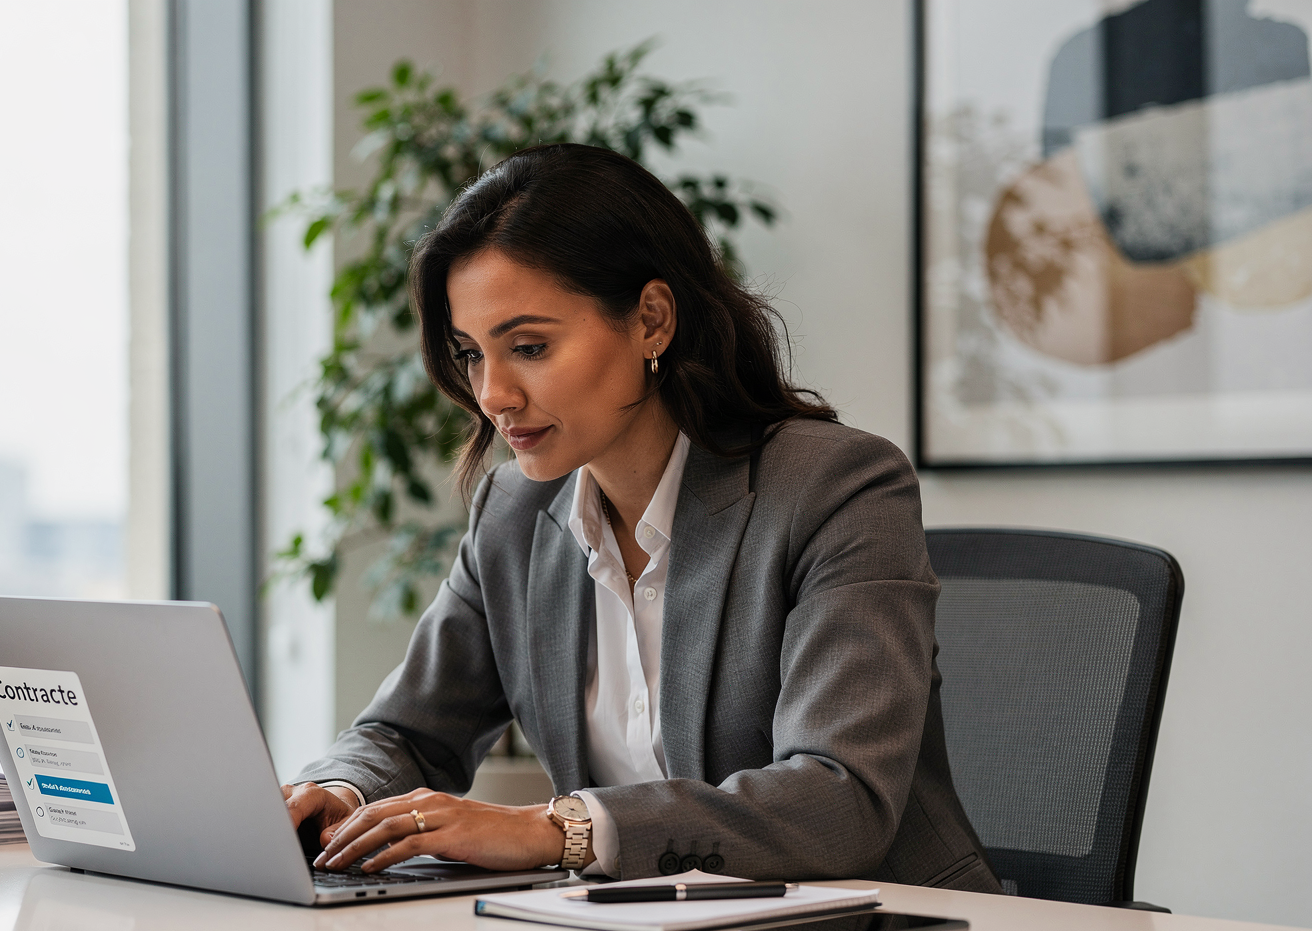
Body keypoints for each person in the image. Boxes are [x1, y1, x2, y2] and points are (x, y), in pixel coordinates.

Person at [282, 143, 1000, 891]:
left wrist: (556, 830)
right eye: (470, 354)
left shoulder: (835, 488)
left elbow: (839, 799)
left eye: (529, 346)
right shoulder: (512, 514)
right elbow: (407, 732)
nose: (493, 394)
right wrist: (338, 791)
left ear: (652, 321)